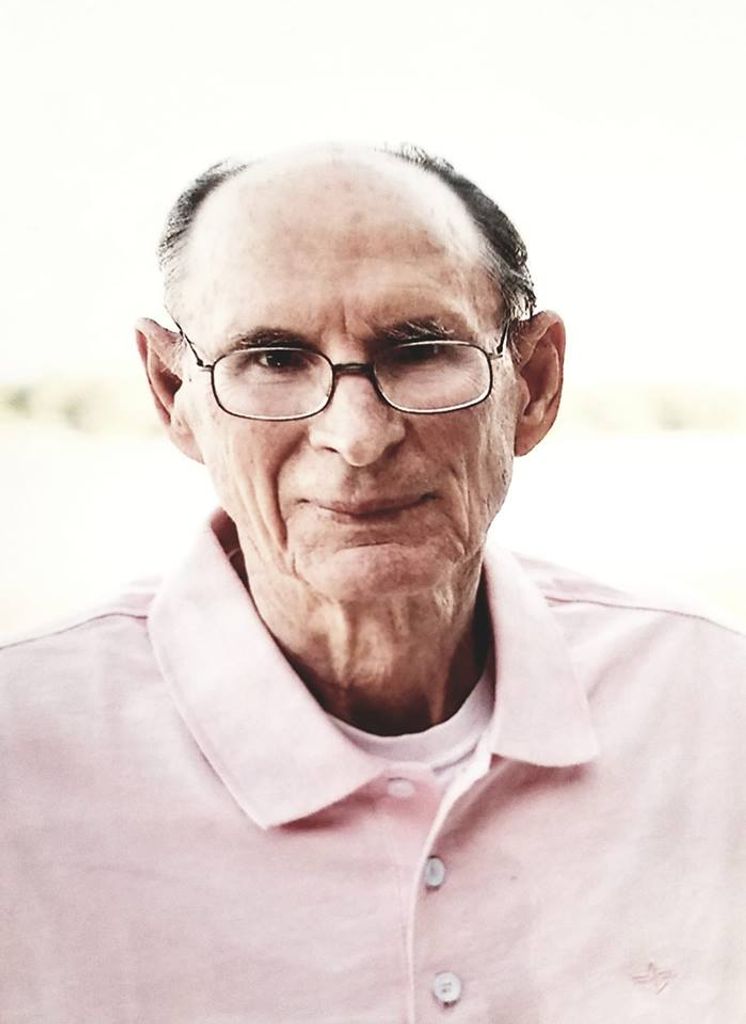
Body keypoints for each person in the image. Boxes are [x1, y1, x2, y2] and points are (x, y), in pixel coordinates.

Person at [2, 144, 745, 1023]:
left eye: (419, 350)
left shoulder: (709, 705)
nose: (357, 436)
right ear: (173, 394)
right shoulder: (25, 754)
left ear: (535, 384)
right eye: (272, 358)